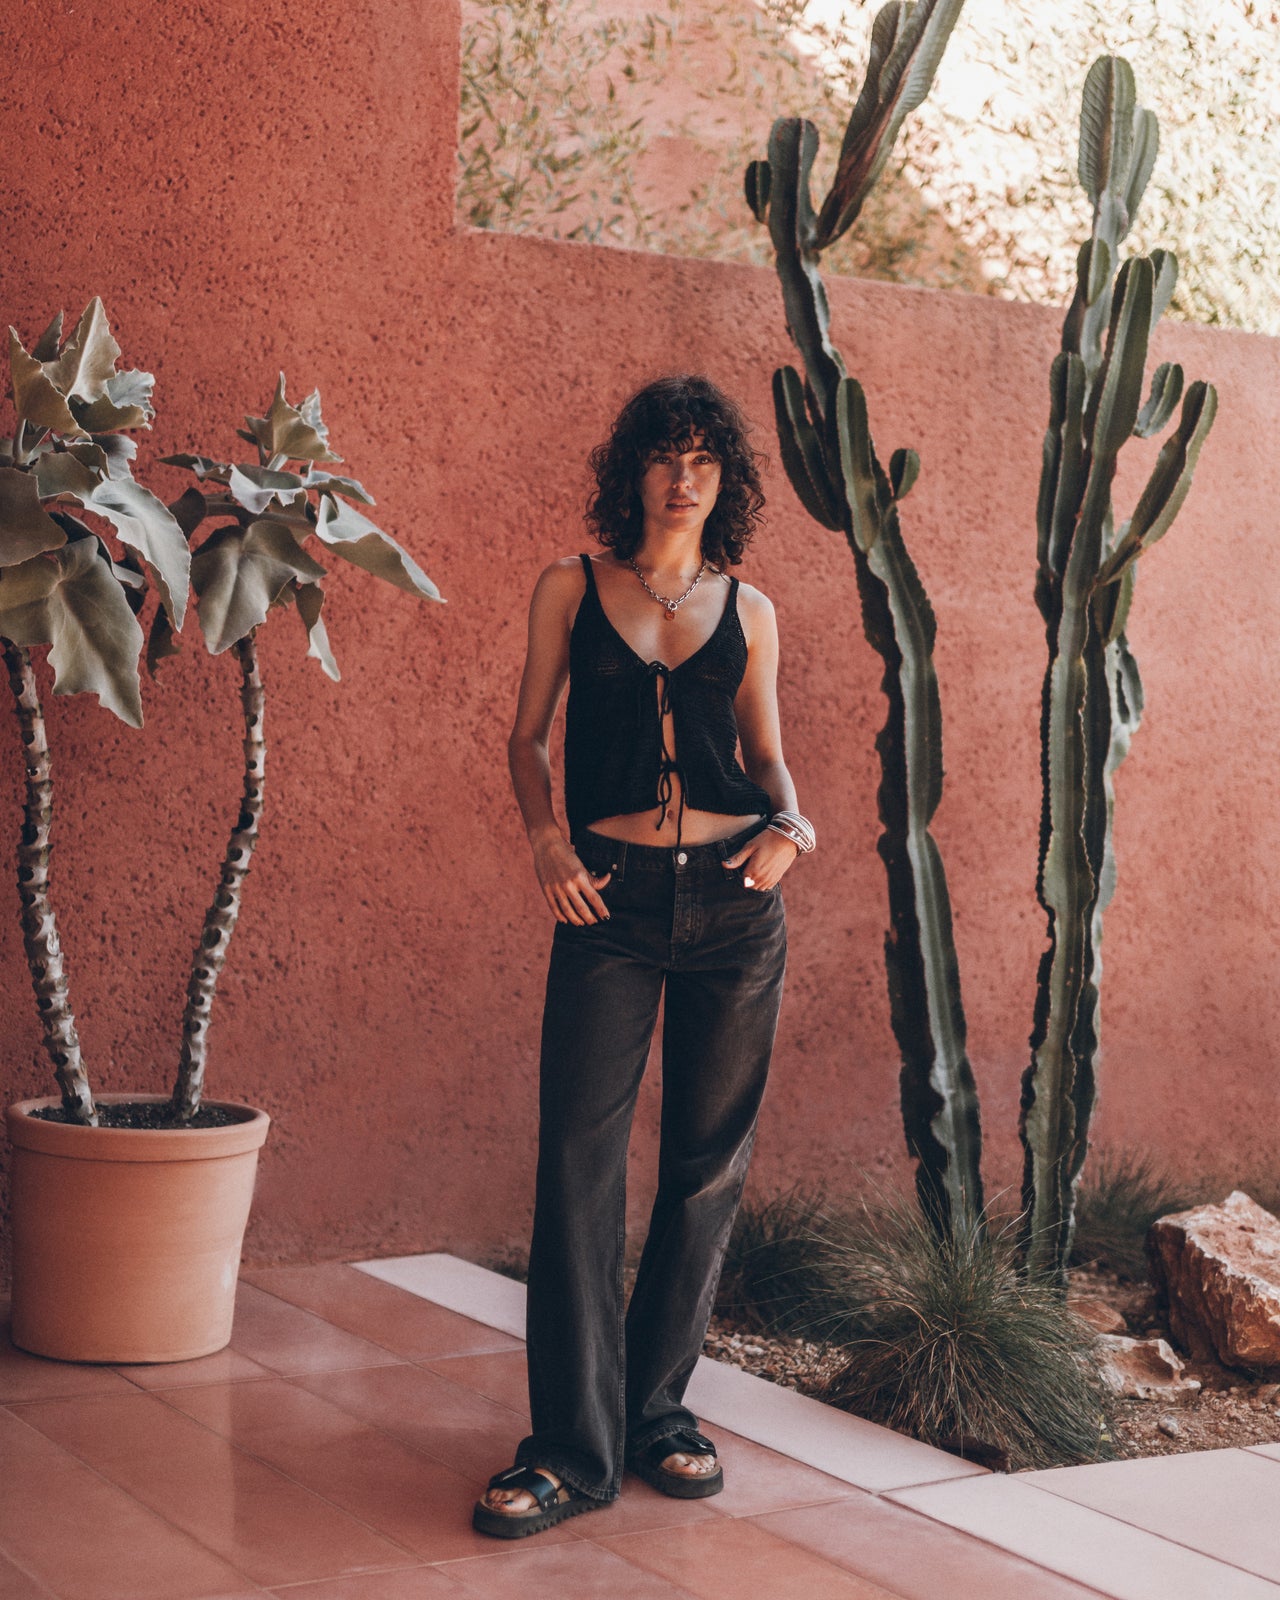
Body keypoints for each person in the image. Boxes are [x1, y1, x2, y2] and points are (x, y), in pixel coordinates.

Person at [474, 374, 814, 1539]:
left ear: (725, 480)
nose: (683, 475)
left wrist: (792, 829)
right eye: (665, 455)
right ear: (632, 469)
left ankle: (659, 1408)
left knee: (705, 1164)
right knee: (576, 1159)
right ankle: (569, 1447)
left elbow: (769, 760)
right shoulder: (570, 587)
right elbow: (524, 737)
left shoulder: (749, 609)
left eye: (703, 459)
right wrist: (542, 838)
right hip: (607, 904)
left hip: (733, 905)